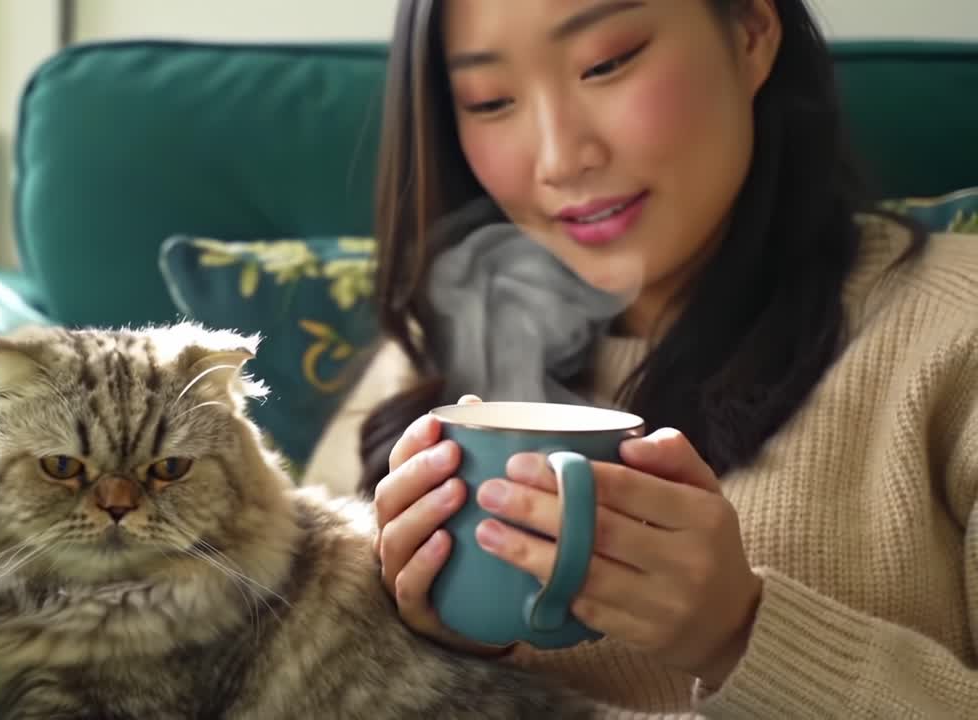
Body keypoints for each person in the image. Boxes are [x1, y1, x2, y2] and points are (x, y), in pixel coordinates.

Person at [299, 0, 978, 716]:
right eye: (491, 101)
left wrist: (740, 632)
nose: (561, 158)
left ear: (750, 33)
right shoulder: (428, 358)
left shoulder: (953, 329)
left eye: (607, 63)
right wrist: (424, 640)